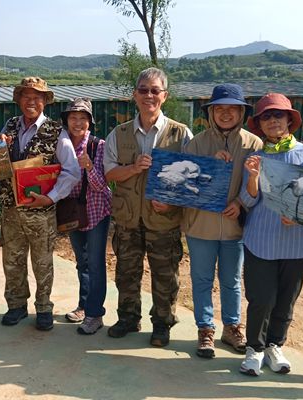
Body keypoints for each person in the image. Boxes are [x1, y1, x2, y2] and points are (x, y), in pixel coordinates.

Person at [103, 67, 193, 346]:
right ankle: (128, 318)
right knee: (126, 273)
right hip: (128, 218)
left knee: (165, 275)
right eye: (143, 90)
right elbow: (109, 174)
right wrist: (132, 168)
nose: (149, 95)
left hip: (163, 219)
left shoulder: (181, 134)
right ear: (135, 95)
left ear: (164, 96)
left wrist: (171, 201)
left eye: (155, 90)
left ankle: (162, 323)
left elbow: (194, 178)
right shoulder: (119, 133)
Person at [237, 93, 303, 376]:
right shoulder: (254, 157)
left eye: (278, 115)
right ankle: (254, 348)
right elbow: (247, 202)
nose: (272, 121)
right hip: (261, 239)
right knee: (261, 298)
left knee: (287, 298)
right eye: (266, 117)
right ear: (259, 124)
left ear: (289, 120)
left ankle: (275, 345)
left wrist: (299, 216)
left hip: (298, 241)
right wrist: (251, 177)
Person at [182, 83, 262, 358]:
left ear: (241, 112)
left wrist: (240, 203)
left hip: (235, 227)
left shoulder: (254, 144)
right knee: (202, 279)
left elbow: (258, 185)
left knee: (232, 280)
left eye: (233, 108)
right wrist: (210, 167)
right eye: (220, 108)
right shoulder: (197, 143)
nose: (226, 114)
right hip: (199, 225)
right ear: (211, 112)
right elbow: (184, 184)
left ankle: (231, 327)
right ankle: (205, 330)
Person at [0, 76, 80, 331]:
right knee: (12, 260)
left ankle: (43, 307)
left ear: (45, 101)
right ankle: (16, 306)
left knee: (43, 262)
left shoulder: (57, 131)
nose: (31, 101)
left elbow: (72, 171)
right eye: (26, 96)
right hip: (12, 209)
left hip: (42, 211)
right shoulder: (9, 126)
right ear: (19, 99)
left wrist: (52, 197)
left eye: (37, 97)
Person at [60, 97, 112, 335]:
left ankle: (94, 314)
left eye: (83, 118)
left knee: (96, 263)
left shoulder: (98, 145)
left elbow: (102, 186)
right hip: (71, 211)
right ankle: (84, 305)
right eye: (73, 117)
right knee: (82, 262)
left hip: (96, 211)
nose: (78, 122)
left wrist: (89, 167)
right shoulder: (61, 144)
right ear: (66, 121)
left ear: (90, 122)